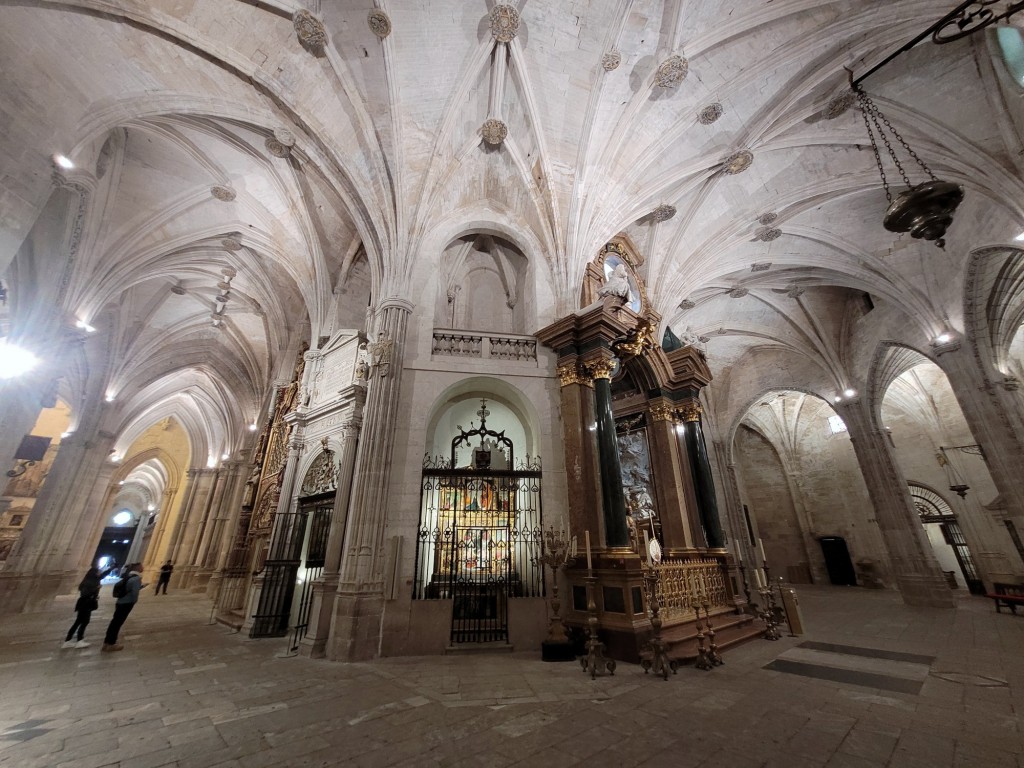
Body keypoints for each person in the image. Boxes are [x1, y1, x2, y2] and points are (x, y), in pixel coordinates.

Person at [62, 566, 109, 649]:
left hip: (86, 603)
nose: (100, 573)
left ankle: (68, 640)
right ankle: (79, 640)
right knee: (84, 621)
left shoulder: (92, 579)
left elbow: (103, 575)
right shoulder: (89, 582)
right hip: (85, 603)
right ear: (94, 573)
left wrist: (112, 568)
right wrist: (96, 588)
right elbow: (85, 593)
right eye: (99, 571)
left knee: (79, 621)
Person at [102, 563, 146, 652]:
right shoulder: (137, 578)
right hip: (127, 603)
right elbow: (134, 593)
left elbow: (128, 588)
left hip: (120, 601)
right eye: (141, 567)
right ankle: (111, 643)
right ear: (138, 568)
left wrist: (140, 587)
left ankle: (107, 642)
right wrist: (134, 600)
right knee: (117, 623)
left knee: (115, 622)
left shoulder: (128, 576)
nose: (143, 568)